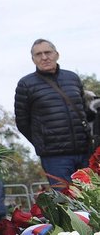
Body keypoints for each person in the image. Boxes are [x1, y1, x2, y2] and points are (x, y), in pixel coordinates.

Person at [14, 38, 95, 187]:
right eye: (38, 54)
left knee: (93, 200)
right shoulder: (26, 84)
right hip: (55, 158)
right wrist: (42, 142)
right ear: (33, 59)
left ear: (57, 54)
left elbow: (83, 110)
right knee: (66, 203)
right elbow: (22, 122)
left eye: (48, 52)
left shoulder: (73, 78)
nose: (44, 57)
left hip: (84, 152)